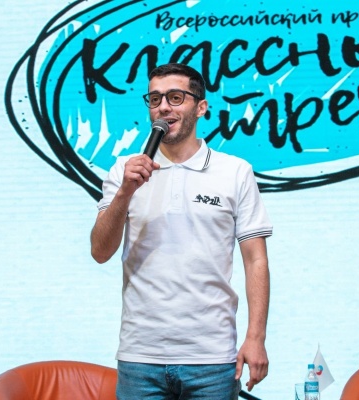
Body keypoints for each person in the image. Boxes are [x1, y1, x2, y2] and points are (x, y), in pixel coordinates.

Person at [90, 63, 273, 399]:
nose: (163, 107)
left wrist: (256, 337)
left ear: (201, 107)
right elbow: (100, 251)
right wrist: (126, 191)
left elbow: (255, 260)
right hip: (140, 356)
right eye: (155, 98)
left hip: (212, 359)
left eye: (175, 97)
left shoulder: (234, 171)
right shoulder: (124, 170)